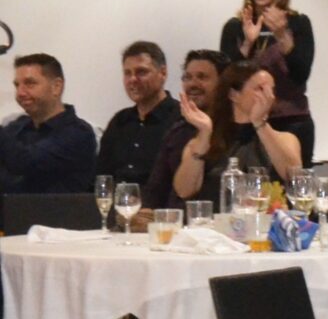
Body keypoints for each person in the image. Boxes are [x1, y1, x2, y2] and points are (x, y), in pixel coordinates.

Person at [218, 0, 317, 161]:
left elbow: (301, 74)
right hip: (246, 122)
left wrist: (282, 36)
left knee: (293, 186)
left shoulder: (298, 23)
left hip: (291, 121)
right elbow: (228, 80)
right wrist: (247, 43)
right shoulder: (235, 26)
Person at [172, 62, 304, 200]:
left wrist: (259, 122)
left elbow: (294, 177)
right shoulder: (204, 140)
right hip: (217, 218)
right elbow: (184, 190)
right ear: (234, 94)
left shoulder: (285, 138)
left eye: (271, 90)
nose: (269, 96)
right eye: (260, 89)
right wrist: (204, 136)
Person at [1, 53, 98, 193]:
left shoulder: (78, 134)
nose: (20, 93)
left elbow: (24, 162)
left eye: (29, 83)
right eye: (17, 85)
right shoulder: (15, 127)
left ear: (56, 87)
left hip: (57, 214)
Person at [142, 50, 225, 208]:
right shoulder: (177, 131)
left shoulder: (233, 128)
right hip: (175, 224)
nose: (193, 84)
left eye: (202, 77)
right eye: (187, 78)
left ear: (222, 83)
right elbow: (155, 191)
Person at [96, 42, 180, 190]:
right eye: (127, 73)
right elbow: (102, 177)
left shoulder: (180, 118)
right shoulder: (119, 121)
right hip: (116, 209)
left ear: (163, 73)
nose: (133, 79)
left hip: (159, 209)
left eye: (141, 72)